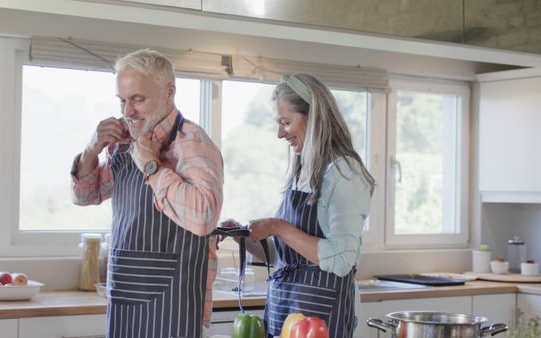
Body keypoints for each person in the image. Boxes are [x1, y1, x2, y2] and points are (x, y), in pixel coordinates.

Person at [71, 49, 223, 338]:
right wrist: (92, 149)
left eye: (138, 99)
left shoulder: (190, 142)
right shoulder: (125, 143)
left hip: (171, 305)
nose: (128, 111)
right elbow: (85, 196)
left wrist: (152, 169)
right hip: (123, 296)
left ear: (169, 92)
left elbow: (205, 215)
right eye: (123, 100)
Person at [222, 73, 374, 338]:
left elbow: (340, 259)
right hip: (287, 309)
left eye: (286, 122)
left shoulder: (344, 172)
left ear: (313, 118)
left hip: (321, 315)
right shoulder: (303, 171)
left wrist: (277, 226)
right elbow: (289, 256)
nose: (280, 133)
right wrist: (242, 238)